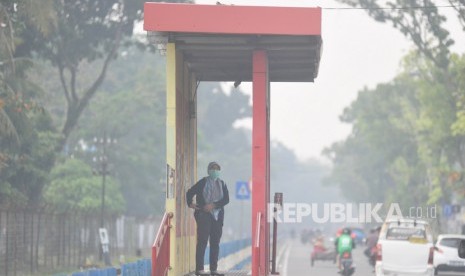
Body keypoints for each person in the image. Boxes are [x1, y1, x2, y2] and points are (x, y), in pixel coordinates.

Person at [186, 161, 229, 276]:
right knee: (202, 241)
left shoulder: (222, 184)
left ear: (219, 171)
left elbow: (226, 200)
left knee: (215, 242)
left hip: (217, 216)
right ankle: (199, 269)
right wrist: (190, 204)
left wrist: (213, 205)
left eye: (217, 169)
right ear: (208, 170)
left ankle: (213, 269)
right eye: (212, 169)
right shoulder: (203, 182)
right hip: (204, 215)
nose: (215, 171)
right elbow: (190, 192)